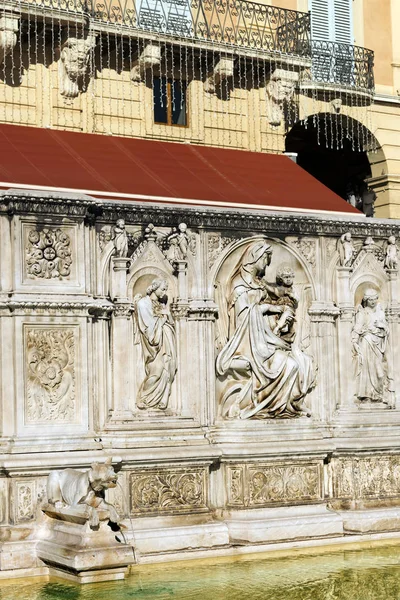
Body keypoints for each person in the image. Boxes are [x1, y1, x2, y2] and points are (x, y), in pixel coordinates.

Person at [216, 241, 315, 419]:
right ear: (255, 258)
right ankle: (273, 406)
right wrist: (272, 309)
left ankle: (291, 405)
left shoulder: (259, 283)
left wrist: (285, 305)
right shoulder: (238, 285)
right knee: (290, 364)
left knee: (302, 361)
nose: (266, 265)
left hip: (265, 337)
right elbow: (243, 317)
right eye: (265, 260)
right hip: (248, 340)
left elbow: (278, 295)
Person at [134, 279, 177, 410]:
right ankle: (144, 397)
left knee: (167, 369)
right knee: (156, 372)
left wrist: (166, 316)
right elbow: (148, 327)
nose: (164, 292)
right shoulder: (143, 304)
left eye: (165, 289)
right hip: (153, 345)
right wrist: (161, 320)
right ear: (154, 287)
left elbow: (170, 321)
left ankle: (163, 397)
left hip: (167, 342)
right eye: (163, 289)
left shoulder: (161, 304)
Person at [351, 288, 392, 404]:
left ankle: (378, 393)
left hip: (379, 343)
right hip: (367, 343)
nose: (373, 301)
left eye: (375, 299)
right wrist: (354, 342)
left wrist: (382, 326)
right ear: (366, 300)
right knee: (367, 369)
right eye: (370, 299)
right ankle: (367, 395)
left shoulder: (380, 312)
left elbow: (387, 330)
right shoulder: (362, 312)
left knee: (379, 370)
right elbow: (357, 328)